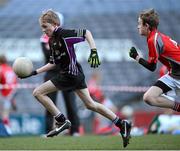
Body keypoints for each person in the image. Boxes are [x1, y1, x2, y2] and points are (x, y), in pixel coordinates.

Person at [20, 9, 131, 147]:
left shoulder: (64, 34)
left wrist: (94, 51)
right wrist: (34, 72)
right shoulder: (52, 40)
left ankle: (61, 120)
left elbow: (86, 33)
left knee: (38, 93)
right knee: (90, 104)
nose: (43, 30)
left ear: (55, 24)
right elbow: (53, 63)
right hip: (75, 75)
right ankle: (121, 123)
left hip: (69, 75)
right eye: (41, 27)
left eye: (45, 26)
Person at [129, 8, 180, 112]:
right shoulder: (154, 37)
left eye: (139, 24)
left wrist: (137, 58)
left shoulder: (153, 39)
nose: (137, 26)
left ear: (146, 26)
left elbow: (152, 67)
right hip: (174, 74)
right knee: (149, 97)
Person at [40, 12, 80, 136]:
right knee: (48, 102)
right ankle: (48, 130)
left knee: (71, 103)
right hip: (51, 73)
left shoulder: (66, 35)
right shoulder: (44, 38)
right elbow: (48, 56)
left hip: (66, 72)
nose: (44, 29)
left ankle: (75, 130)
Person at [0, 54, 17, 130]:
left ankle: (6, 130)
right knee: (5, 114)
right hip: (10, 94)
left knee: (4, 115)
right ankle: (7, 130)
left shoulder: (1, 69)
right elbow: (15, 84)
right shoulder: (10, 69)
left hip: (3, 94)